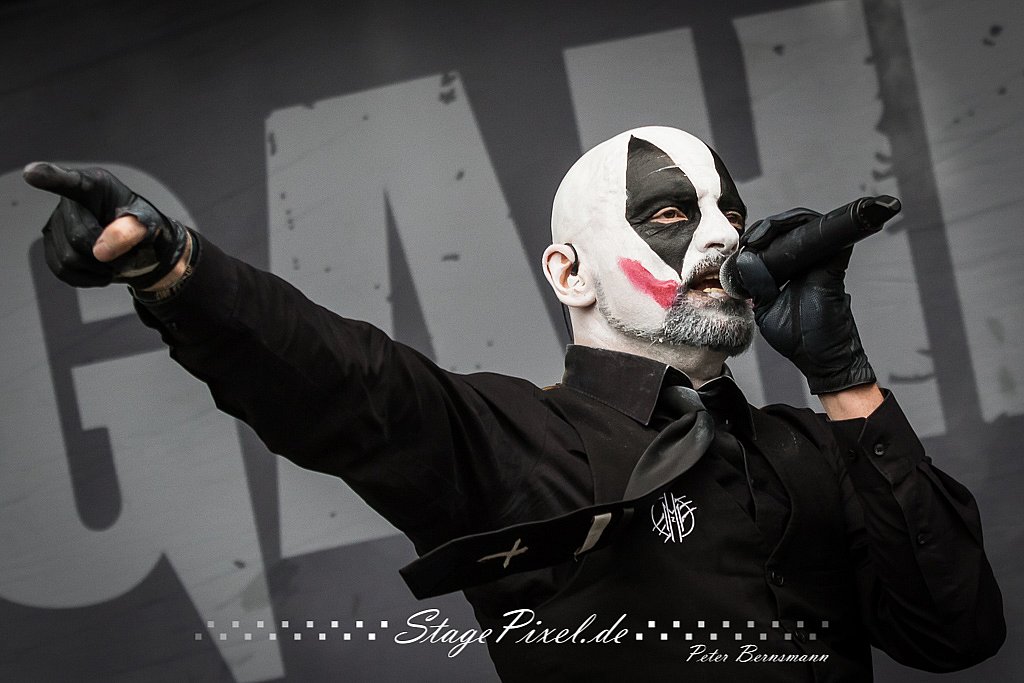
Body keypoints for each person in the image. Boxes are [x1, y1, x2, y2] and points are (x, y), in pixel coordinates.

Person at [24, 126, 1004, 681]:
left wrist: (842, 374)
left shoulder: (815, 446)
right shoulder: (506, 442)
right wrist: (173, 268)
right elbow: (339, 378)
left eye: (729, 214)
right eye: (673, 213)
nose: (720, 237)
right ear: (568, 271)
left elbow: (954, 633)